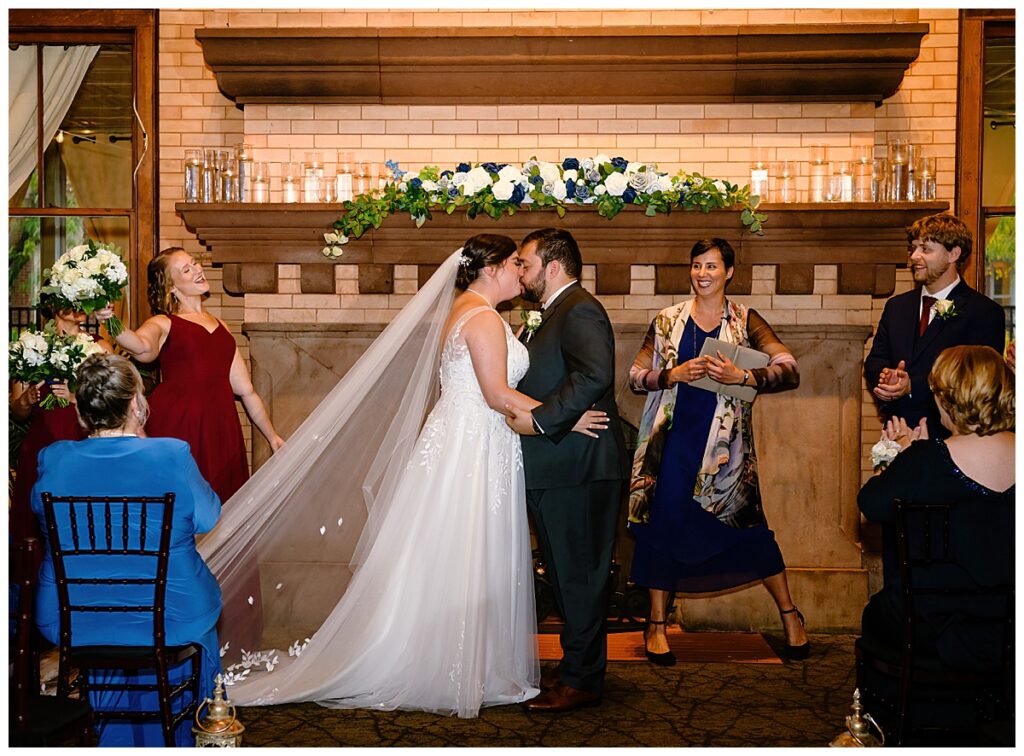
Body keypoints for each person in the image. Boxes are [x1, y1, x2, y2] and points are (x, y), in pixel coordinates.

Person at [197, 234, 606, 718]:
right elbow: (496, 395)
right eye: (514, 264)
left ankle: (458, 657)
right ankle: (459, 664)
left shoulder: (463, 311)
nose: (521, 273)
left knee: (452, 551)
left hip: (468, 439)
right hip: (474, 445)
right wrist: (563, 417)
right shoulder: (485, 318)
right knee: (469, 550)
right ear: (492, 268)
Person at [627, 238, 809, 664]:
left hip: (726, 450)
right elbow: (635, 377)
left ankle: (790, 615)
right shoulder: (667, 320)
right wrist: (671, 373)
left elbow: (789, 368)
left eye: (711, 266)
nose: (702, 274)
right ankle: (656, 626)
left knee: (750, 530)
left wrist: (742, 375)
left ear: (728, 272)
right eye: (696, 266)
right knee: (661, 528)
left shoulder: (746, 320)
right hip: (671, 443)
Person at [31, 353, 222, 746]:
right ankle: (191, 730)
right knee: (203, 607)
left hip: (72, 617)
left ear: (82, 412)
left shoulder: (54, 458)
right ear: (136, 403)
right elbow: (208, 516)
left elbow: (39, 512)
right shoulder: (172, 454)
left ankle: (105, 726)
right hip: (171, 615)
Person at [857, 345, 1014, 735]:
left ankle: (888, 725)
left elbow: (871, 505)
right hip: (1010, 626)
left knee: (876, 613)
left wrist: (901, 456)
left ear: (948, 400)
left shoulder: (926, 460)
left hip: (930, 629)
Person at [505, 228, 629, 712]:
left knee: (580, 576)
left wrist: (540, 418)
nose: (520, 271)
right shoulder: (550, 312)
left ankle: (583, 680)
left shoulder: (579, 309)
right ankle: (577, 663)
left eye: (525, 263)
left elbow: (594, 374)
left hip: (581, 467)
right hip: (559, 467)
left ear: (552, 266)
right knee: (565, 574)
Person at [95, 247, 284, 503]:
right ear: (172, 287)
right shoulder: (163, 323)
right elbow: (141, 347)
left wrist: (272, 437)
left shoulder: (222, 326)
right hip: (181, 422)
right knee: (180, 501)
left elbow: (246, 390)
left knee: (221, 503)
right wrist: (110, 322)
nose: (197, 270)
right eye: (187, 269)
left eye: (195, 264)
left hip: (221, 425)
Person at [864, 213, 1005, 439]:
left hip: (951, 440)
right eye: (913, 248)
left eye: (925, 249)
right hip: (896, 435)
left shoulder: (984, 312)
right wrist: (886, 379)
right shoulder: (896, 306)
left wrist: (913, 387)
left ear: (954, 253)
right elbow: (875, 360)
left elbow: (979, 381)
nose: (915, 257)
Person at [10, 307, 110, 542]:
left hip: (84, 443)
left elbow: (110, 403)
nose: (79, 308)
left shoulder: (100, 348)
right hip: (42, 443)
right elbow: (19, 413)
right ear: (54, 305)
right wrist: (26, 399)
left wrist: (76, 398)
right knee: (38, 527)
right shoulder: (30, 345)